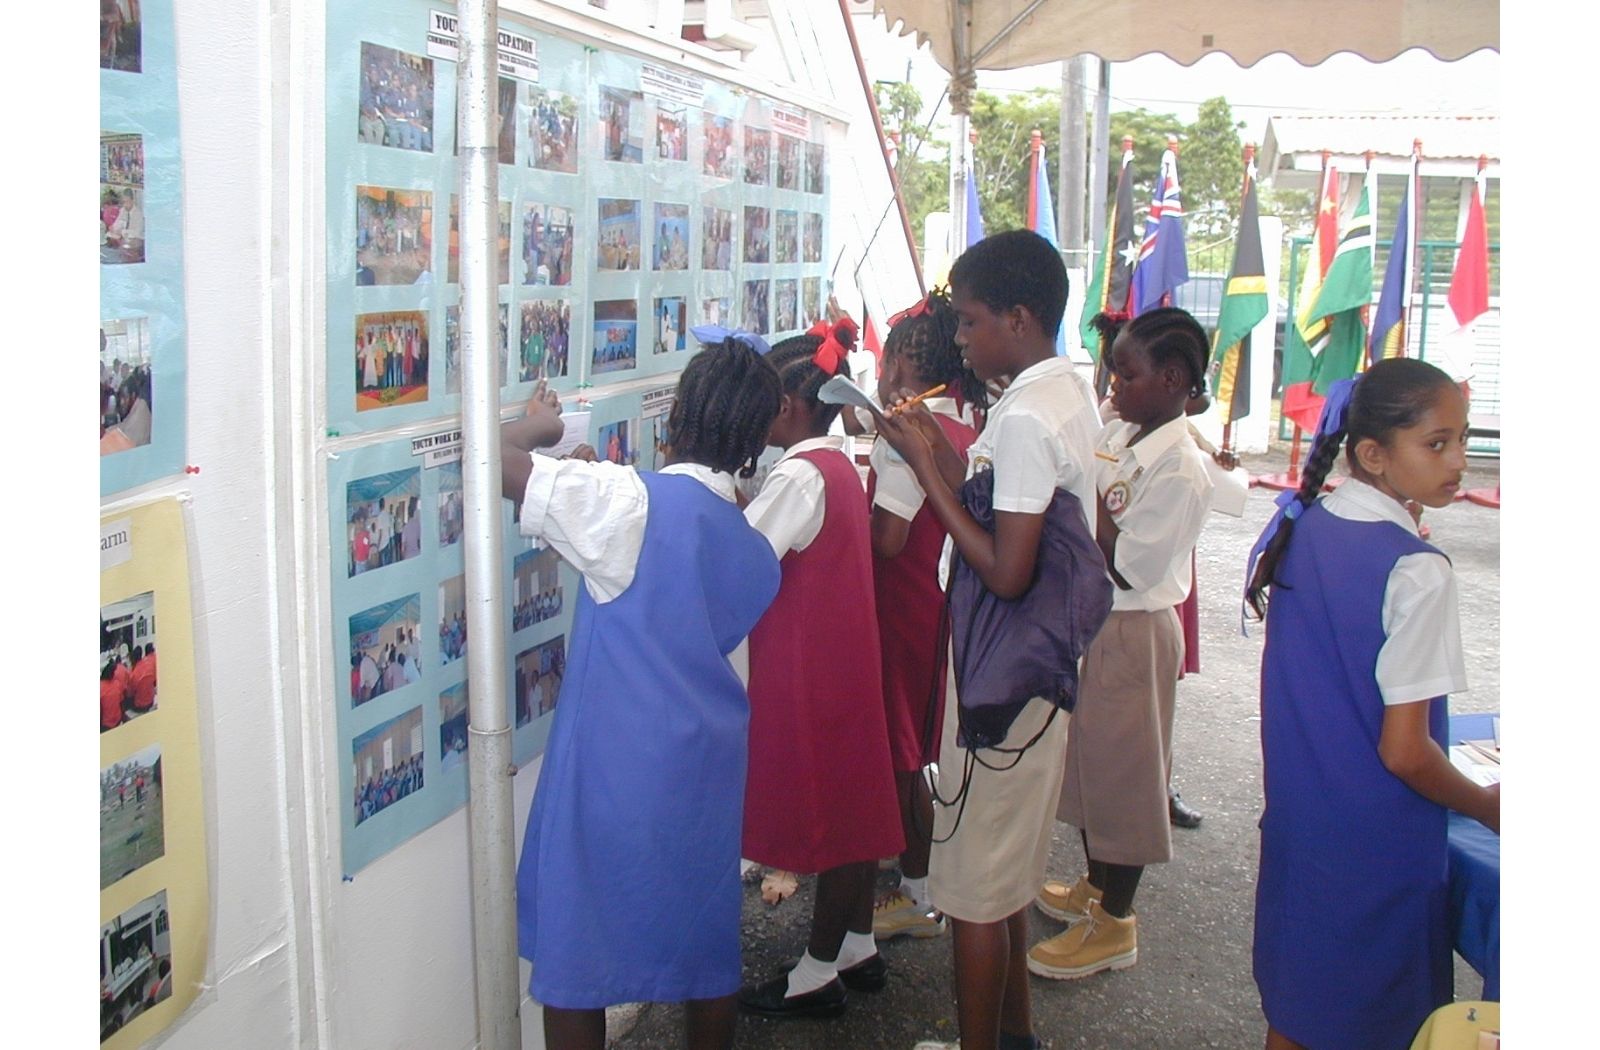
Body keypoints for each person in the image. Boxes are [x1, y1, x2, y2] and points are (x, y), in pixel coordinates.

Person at [499, 338, 784, 1050]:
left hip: (612, 772)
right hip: (703, 768)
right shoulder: (751, 543)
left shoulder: (628, 503)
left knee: (575, 953)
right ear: (752, 441)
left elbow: (496, 462)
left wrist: (537, 428)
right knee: (703, 943)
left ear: (676, 416)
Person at [875, 229, 1102, 1050]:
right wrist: (938, 451)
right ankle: (1013, 1040)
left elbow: (1007, 569)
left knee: (972, 890)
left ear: (1020, 316)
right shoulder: (1060, 395)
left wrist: (928, 474)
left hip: (1002, 675)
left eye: (970, 323)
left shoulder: (1025, 419)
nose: (961, 340)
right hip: (1032, 671)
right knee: (1002, 879)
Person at [1243, 358, 1499, 1050]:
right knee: (1376, 1020)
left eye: (1463, 439)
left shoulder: (1309, 522)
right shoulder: (1417, 569)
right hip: (1378, 845)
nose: (1457, 462)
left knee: (1299, 1007)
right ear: (1372, 454)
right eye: (1437, 443)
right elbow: (1406, 750)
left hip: (1303, 819)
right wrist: (1486, 805)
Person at [1027, 308, 1214, 980]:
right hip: (1095, 624)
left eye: (1127, 374)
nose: (1113, 384)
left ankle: (1116, 925)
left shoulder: (1182, 469)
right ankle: (1096, 889)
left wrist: (1081, 507)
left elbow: (1128, 561)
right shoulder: (1126, 430)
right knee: (1091, 769)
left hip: (1133, 630)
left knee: (1129, 779)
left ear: (1172, 380)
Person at [737, 319, 904, 1018]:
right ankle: (857, 942)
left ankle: (815, 974)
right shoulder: (835, 464)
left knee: (837, 821)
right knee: (856, 808)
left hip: (812, 676)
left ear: (788, 408)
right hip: (844, 667)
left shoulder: (800, 475)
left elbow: (743, 560)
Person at [862, 290, 983, 944]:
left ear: (906, 367)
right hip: (936, 602)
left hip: (899, 602)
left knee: (904, 747)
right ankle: (917, 873)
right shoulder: (960, 422)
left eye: (888, 360)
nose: (882, 374)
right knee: (916, 740)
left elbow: (888, 540)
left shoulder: (904, 434)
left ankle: (916, 886)